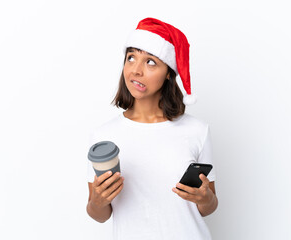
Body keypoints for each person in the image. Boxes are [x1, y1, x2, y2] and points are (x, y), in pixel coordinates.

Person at [86, 17, 218, 240]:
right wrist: (97, 202)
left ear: (169, 72)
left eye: (150, 62)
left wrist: (204, 198)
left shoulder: (197, 131)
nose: (136, 70)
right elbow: (99, 214)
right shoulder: (104, 137)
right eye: (131, 58)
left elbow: (209, 206)